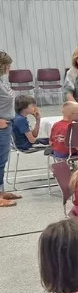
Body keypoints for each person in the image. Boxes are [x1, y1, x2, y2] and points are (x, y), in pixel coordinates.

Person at [0, 51, 14, 206]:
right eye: (8, 64)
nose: (10, 67)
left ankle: (1, 191)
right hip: (1, 125)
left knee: (2, 160)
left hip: (7, 123)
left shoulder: (2, 80)